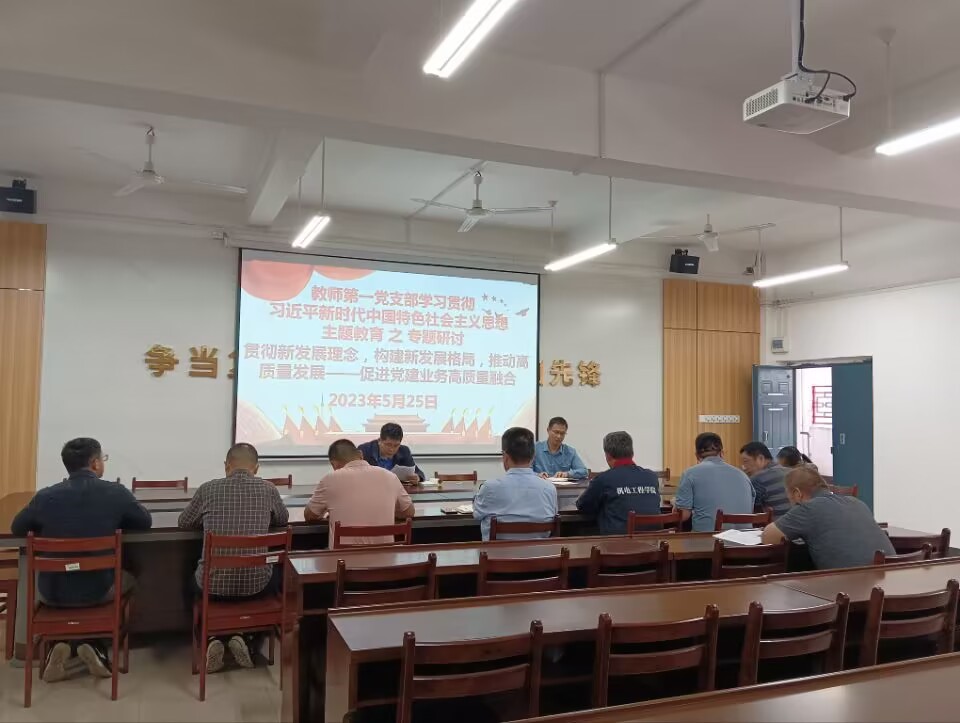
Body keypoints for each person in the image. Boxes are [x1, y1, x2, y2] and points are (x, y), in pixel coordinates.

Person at [11, 437, 152, 683]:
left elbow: (17, 528)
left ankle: (65, 642)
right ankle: (94, 643)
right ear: (95, 463)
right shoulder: (115, 493)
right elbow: (144, 522)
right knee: (134, 574)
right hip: (99, 591)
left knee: (69, 581)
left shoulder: (45, 496)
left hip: (51, 593)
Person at [177, 443, 289, 674]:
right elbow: (282, 519)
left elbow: (184, 522)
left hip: (212, 587)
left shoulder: (208, 489)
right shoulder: (268, 489)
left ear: (226, 466)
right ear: (256, 468)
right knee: (277, 571)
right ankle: (247, 636)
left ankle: (210, 637)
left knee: (188, 573)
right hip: (257, 586)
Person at [761, 465, 894, 569]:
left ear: (797, 494)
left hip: (852, 588)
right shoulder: (857, 502)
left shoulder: (808, 508)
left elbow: (768, 537)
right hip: (891, 579)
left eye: (788, 497)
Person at [304, 438, 416, 546]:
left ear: (334, 464)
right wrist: (388, 511)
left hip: (343, 557)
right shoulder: (390, 476)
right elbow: (409, 512)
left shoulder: (329, 479)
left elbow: (310, 516)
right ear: (361, 455)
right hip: (386, 555)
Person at [474, 427, 559, 541]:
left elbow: (477, 514)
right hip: (540, 552)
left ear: (505, 457)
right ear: (533, 457)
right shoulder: (549, 488)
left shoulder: (490, 487)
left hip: (497, 552)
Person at [575, 431, 661, 534]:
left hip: (619, 542)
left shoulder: (604, 479)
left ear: (608, 455)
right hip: (653, 541)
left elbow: (583, 506)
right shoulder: (651, 477)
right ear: (632, 453)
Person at [675, 433, 754, 532]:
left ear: (697, 455)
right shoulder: (743, 475)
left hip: (708, 539)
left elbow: (683, 515)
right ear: (722, 453)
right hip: (744, 539)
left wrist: (676, 504)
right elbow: (749, 510)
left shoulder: (690, 473)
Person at [357, 423, 424, 483]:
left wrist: (417, 477)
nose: (392, 449)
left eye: (396, 445)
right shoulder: (365, 450)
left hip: (395, 489)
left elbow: (418, 472)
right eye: (388, 444)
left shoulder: (403, 451)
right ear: (380, 440)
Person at [740, 441, 790, 519]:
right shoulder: (790, 472)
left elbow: (752, 513)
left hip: (776, 524)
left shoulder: (757, 479)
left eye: (746, 461)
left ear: (761, 458)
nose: (744, 467)